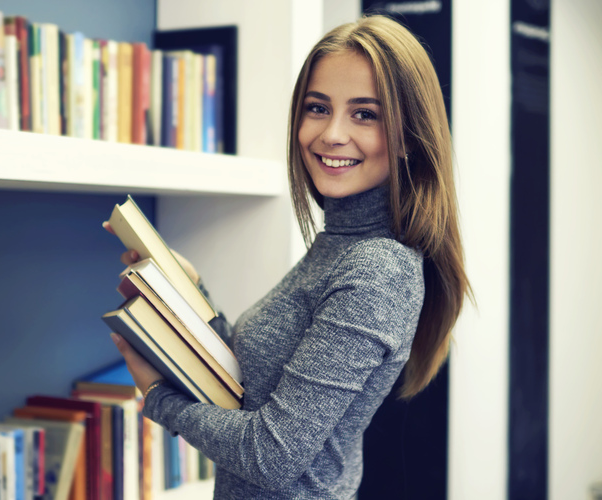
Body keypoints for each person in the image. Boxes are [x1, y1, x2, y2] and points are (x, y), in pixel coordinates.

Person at [104, 14, 471, 500]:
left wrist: (158, 400)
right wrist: (191, 294)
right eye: (318, 108)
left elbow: (269, 456)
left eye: (366, 114)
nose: (332, 134)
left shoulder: (376, 272)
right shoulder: (340, 245)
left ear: (408, 136)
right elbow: (254, 388)